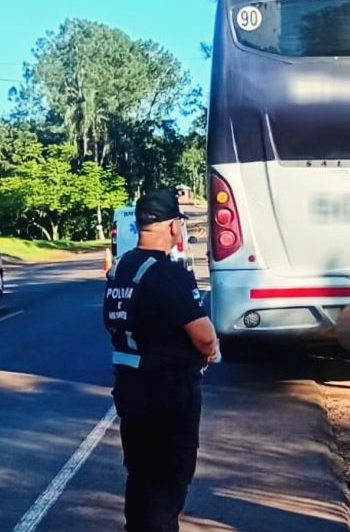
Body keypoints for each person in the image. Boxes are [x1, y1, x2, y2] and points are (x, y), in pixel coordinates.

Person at [103, 189, 220, 532]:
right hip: (168, 393)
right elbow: (204, 335)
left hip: (130, 387)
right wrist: (209, 349)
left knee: (141, 474)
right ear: (172, 227)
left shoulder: (121, 270)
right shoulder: (168, 275)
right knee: (168, 480)